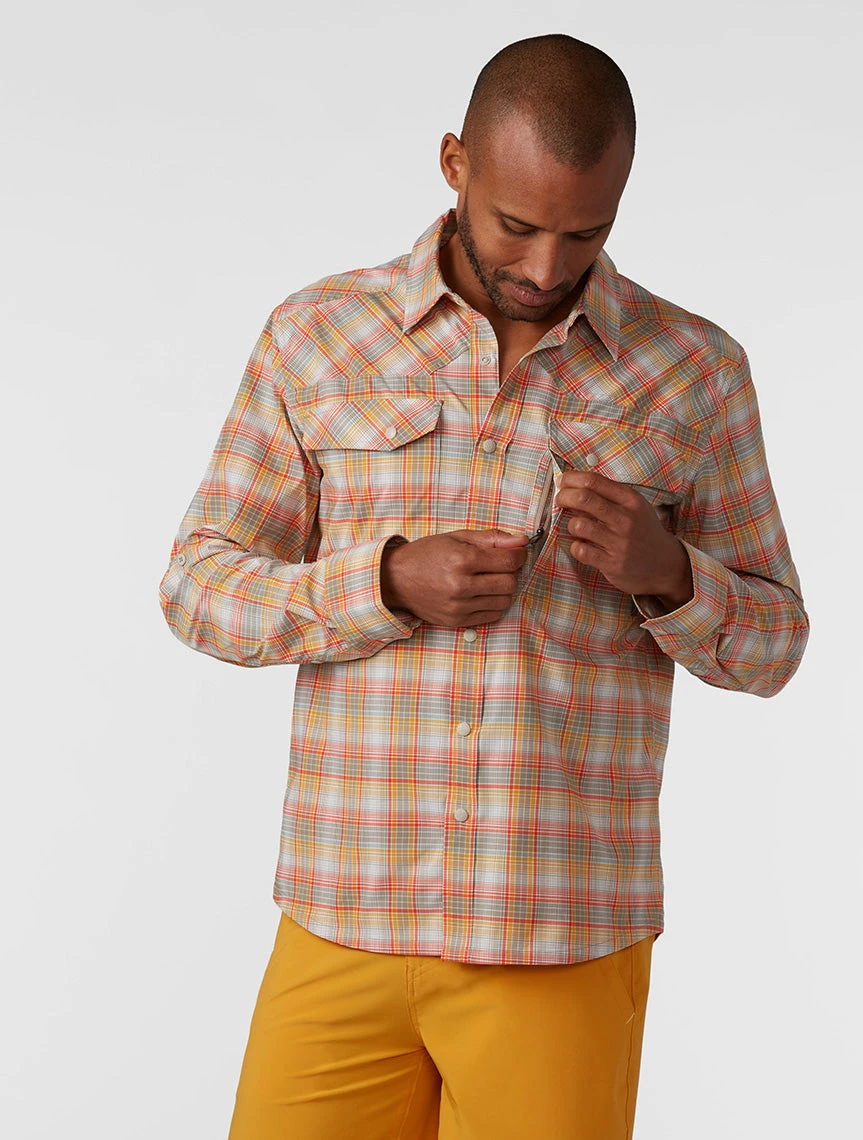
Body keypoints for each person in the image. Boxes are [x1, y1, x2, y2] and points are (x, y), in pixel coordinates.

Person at [158, 33, 809, 1140]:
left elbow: (775, 645)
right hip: (341, 915)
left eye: (585, 232)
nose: (547, 267)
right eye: (516, 225)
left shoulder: (694, 371)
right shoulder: (318, 336)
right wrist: (382, 583)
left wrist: (668, 576)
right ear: (455, 163)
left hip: (556, 935)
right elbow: (196, 588)